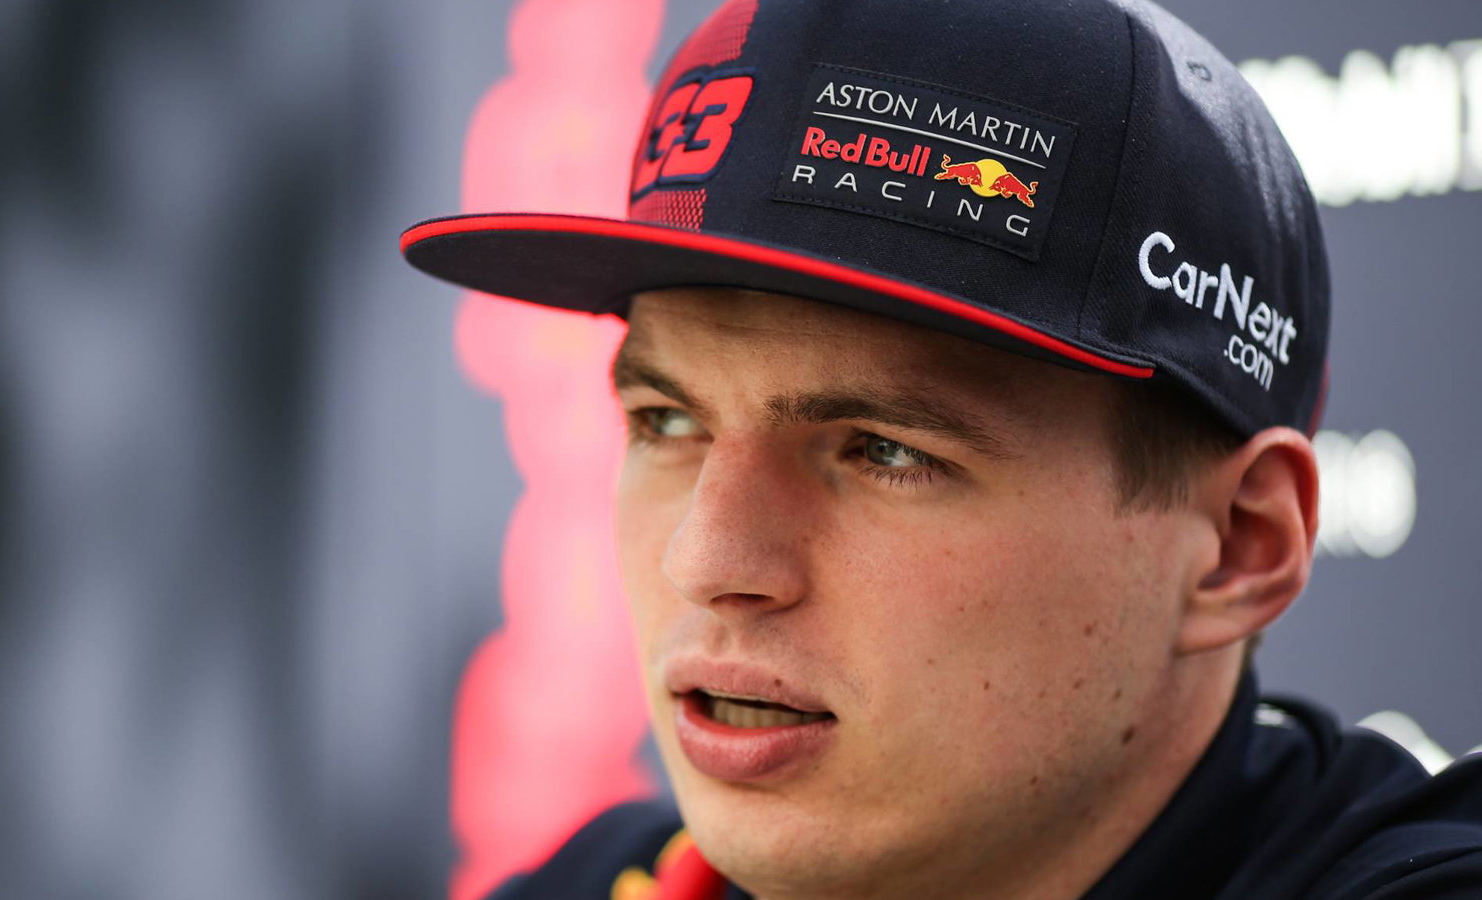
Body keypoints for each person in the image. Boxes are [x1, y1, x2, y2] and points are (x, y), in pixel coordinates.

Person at [400, 0, 1482, 897]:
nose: (706, 562)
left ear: (1237, 547)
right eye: (666, 422)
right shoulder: (606, 879)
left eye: (883, 451)